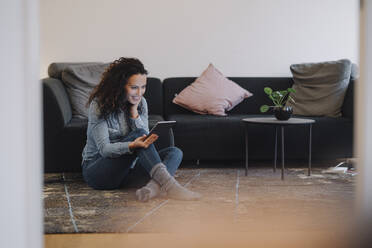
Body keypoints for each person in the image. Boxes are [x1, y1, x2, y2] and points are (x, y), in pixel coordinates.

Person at [81, 57, 201, 202]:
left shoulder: (140, 103)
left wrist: (133, 112)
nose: (140, 92)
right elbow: (105, 149)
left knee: (175, 152)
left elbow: (145, 137)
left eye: (143, 87)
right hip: (98, 173)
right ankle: (171, 187)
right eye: (134, 87)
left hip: (126, 173)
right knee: (138, 135)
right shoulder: (99, 105)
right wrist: (131, 145)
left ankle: (150, 190)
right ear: (120, 86)